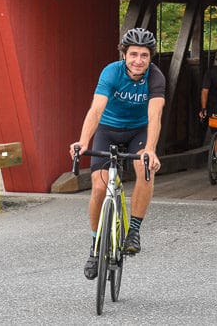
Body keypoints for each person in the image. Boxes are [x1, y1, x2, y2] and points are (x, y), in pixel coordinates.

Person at [69, 27, 165, 280]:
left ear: (150, 57)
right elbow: (96, 109)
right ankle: (95, 246)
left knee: (145, 169)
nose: (138, 61)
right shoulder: (111, 72)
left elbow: (155, 115)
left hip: (138, 132)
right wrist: (82, 142)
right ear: (124, 54)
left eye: (144, 55)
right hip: (108, 130)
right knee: (99, 188)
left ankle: (133, 230)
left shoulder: (155, 77)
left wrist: (151, 150)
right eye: (133, 54)